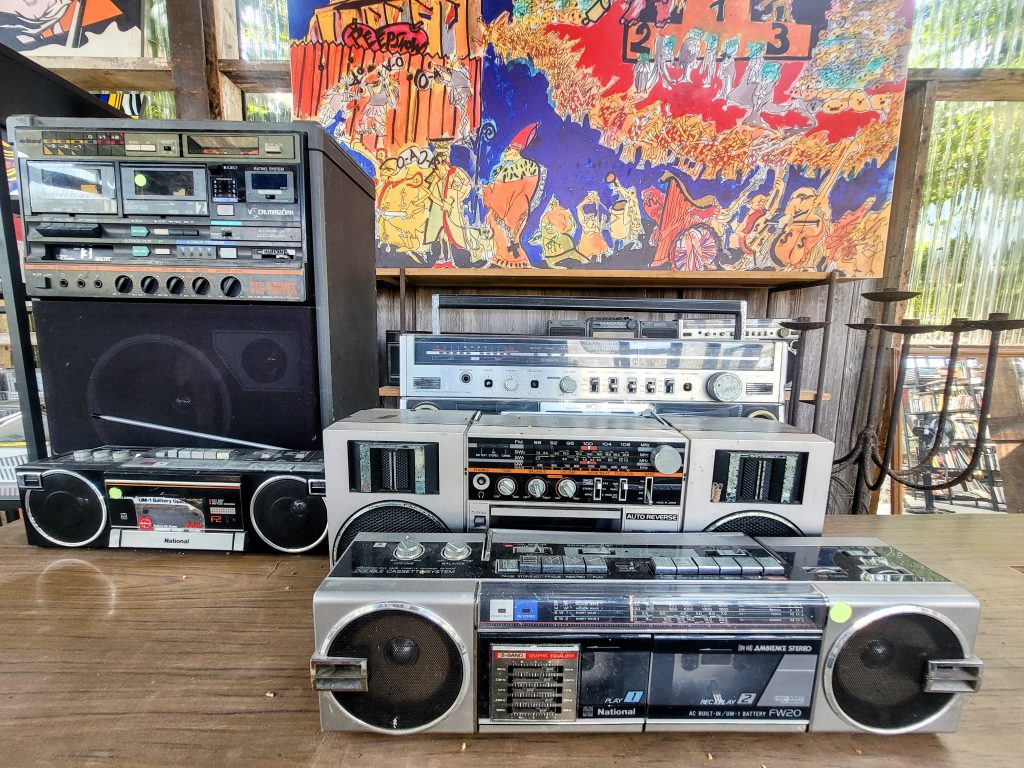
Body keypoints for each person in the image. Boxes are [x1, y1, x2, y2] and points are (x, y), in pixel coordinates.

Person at [481, 123, 546, 268]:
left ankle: (510, 260)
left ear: (513, 150)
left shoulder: (508, 169)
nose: (504, 154)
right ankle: (513, 260)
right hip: (521, 208)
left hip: (506, 210)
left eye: (507, 150)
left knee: (507, 238)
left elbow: (500, 194)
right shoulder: (531, 167)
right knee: (512, 238)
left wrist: (486, 190)